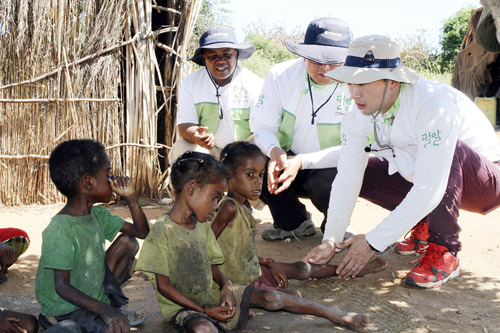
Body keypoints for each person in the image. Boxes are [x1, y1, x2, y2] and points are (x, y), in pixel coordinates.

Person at [303, 35, 500, 289]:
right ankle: (423, 223)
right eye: (350, 82)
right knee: (363, 172)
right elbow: (348, 175)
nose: (354, 92)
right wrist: (331, 237)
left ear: (393, 82)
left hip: (485, 183)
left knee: (447, 152)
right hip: (424, 173)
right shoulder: (358, 112)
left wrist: (373, 241)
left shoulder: (432, 104)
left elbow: (431, 186)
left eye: (363, 82)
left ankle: (445, 250)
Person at [135, 151, 369, 332]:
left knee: (273, 297)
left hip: (213, 297)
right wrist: (205, 310)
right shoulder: (162, 232)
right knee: (203, 328)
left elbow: (213, 263)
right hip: (184, 307)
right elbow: (164, 287)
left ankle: (335, 314)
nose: (216, 205)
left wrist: (226, 287)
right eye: (215, 197)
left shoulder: (202, 225)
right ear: (192, 188)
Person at [213, 141, 386, 304]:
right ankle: (336, 315)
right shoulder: (229, 208)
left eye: (261, 174)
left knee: (301, 269)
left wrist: (267, 262)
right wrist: (223, 284)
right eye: (249, 174)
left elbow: (240, 251)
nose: (258, 181)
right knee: (287, 297)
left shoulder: (242, 207)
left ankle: (354, 269)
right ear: (227, 177)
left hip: (247, 268)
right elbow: (206, 246)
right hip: (232, 277)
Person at [249, 17, 354, 241]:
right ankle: (294, 222)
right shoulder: (281, 75)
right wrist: (275, 151)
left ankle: (335, 224)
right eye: (317, 60)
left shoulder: (357, 85)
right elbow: (262, 125)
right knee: (255, 159)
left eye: (334, 62)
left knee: (325, 183)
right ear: (304, 54)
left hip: (331, 166)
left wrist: (303, 161)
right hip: (288, 160)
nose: (325, 67)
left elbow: (354, 149)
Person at [35, 139, 150, 332]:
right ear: (88, 182)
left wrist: (131, 198)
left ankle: (105, 308)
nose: (112, 180)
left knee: (128, 243)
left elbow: (141, 232)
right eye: (107, 173)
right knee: (111, 328)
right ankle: (57, 320)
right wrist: (104, 310)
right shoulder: (61, 229)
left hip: (91, 295)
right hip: (65, 308)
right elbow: (62, 286)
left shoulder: (97, 215)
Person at [170, 26, 264, 161]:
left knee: (264, 144)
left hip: (244, 149)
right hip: (208, 151)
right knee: (183, 147)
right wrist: (196, 136)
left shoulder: (254, 83)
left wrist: (241, 150)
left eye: (227, 55)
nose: (220, 60)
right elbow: (185, 125)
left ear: (236, 54)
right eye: (213, 56)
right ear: (203, 58)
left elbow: (261, 129)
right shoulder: (191, 83)